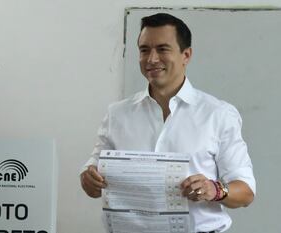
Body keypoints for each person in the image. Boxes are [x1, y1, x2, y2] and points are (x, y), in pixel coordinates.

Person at [80, 13, 256, 233]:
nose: (152, 59)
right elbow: (91, 179)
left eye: (162, 49)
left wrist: (215, 189)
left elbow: (246, 191)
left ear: (186, 55)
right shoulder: (117, 114)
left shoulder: (218, 114)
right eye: (144, 50)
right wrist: (89, 179)